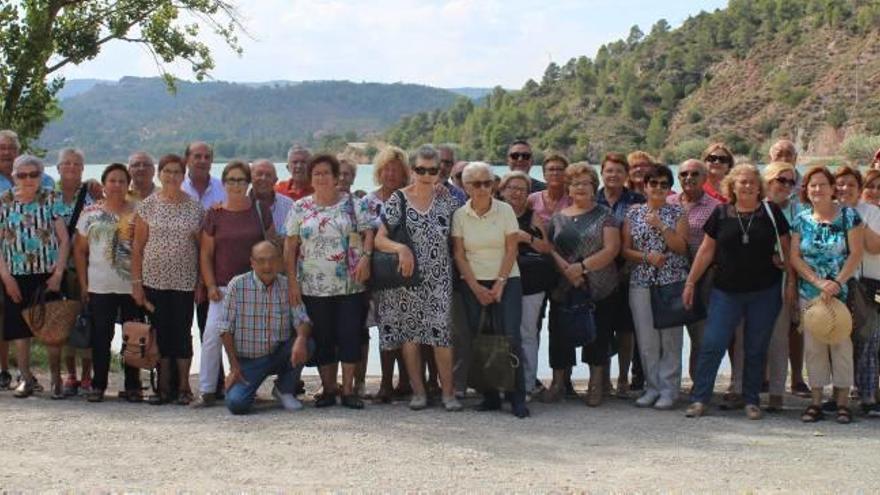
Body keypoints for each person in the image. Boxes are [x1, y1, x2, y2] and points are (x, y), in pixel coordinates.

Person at [682, 164, 792, 420]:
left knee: (756, 347)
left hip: (764, 291)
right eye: (742, 182)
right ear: (732, 185)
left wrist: (791, 283)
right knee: (712, 343)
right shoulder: (721, 213)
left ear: (759, 186)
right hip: (726, 292)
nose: (747, 185)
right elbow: (706, 250)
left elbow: (787, 250)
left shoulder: (771, 211)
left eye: (752, 181)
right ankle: (700, 398)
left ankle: (751, 400)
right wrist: (690, 282)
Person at [374, 145, 462, 411]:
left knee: (441, 336)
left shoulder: (448, 200)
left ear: (439, 172)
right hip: (408, 279)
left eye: (432, 170)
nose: (426, 175)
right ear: (412, 170)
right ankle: (418, 392)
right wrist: (401, 249)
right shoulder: (398, 199)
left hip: (439, 279)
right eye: (421, 169)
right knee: (410, 337)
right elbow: (379, 239)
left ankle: (448, 393)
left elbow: (464, 229)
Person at [285, 154, 374, 409]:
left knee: (349, 335)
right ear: (310, 178)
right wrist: (292, 283)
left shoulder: (353, 204)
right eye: (317, 174)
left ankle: (347, 391)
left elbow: (369, 232)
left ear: (337, 178)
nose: (322, 177)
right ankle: (328, 389)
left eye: (327, 173)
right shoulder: (300, 207)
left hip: (350, 283)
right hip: (312, 286)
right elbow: (289, 247)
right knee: (323, 337)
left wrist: (366, 259)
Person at [193, 161, 274, 408]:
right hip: (223, 288)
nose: (236, 185)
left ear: (248, 183)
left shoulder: (260, 210)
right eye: (231, 180)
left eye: (241, 180)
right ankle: (207, 391)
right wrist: (209, 286)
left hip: (255, 287)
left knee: (251, 340)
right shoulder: (214, 214)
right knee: (211, 337)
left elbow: (271, 245)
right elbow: (206, 254)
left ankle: (248, 387)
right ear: (224, 183)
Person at [452, 161, 528, 418]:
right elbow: (459, 255)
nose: (483, 188)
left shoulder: (505, 210)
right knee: (480, 339)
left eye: (488, 182)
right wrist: (475, 287)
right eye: (476, 184)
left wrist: (499, 283)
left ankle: (517, 396)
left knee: (511, 337)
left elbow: (511, 249)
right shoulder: (460, 215)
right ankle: (490, 395)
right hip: (473, 282)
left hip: (507, 280)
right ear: (466, 186)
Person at [790, 166, 863, 424]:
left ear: (833, 189)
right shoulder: (800, 219)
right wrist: (818, 282)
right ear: (806, 191)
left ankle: (842, 403)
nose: (817, 189)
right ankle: (816, 401)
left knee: (842, 345)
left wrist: (835, 283)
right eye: (812, 185)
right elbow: (795, 256)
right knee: (814, 346)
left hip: (841, 293)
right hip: (810, 293)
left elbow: (855, 253)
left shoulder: (849, 216)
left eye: (822, 184)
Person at [132, 154, 205, 405]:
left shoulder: (195, 207)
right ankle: (162, 387)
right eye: (167, 171)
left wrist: (201, 283)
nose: (172, 176)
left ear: (183, 176)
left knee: (182, 333)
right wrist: (136, 284)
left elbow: (202, 249)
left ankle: (184, 386)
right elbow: (138, 247)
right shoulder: (148, 205)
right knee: (160, 333)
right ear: (159, 174)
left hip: (185, 281)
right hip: (154, 281)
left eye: (177, 172)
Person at [546, 163, 621, 407]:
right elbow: (551, 250)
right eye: (575, 183)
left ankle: (596, 384)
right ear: (568, 188)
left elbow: (612, 249)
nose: (580, 187)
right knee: (558, 335)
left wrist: (582, 268)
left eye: (585, 183)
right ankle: (558, 383)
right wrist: (568, 272)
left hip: (598, 286)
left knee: (598, 336)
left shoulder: (605, 215)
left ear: (594, 187)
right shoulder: (557, 218)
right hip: (563, 287)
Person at [0, 155, 69, 398]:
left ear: (41, 175)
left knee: (52, 329)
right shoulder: (3, 201)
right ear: (14, 176)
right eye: (22, 174)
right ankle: (26, 377)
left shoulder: (51, 198)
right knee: (19, 330)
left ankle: (55, 379)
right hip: (15, 275)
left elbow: (64, 240)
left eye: (33, 174)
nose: (28, 179)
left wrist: (59, 273)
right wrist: (6, 277)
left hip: (46, 274)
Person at [621, 165, 689, 410]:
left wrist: (661, 225)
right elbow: (625, 249)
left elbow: (681, 246)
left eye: (663, 184)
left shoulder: (678, 212)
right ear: (645, 186)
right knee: (647, 340)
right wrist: (646, 257)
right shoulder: (633, 213)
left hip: (671, 282)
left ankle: (670, 390)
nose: (658, 188)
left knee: (671, 339)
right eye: (653, 183)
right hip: (641, 282)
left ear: (670, 188)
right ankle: (652, 387)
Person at [73, 163, 143, 402]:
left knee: (133, 336)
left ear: (128, 185)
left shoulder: (138, 211)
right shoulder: (90, 213)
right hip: (99, 286)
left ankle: (133, 384)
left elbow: (144, 248)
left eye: (121, 181)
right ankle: (98, 384)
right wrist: (83, 285)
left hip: (131, 286)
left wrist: (141, 284)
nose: (116, 185)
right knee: (101, 337)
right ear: (104, 185)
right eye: (112, 181)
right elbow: (80, 251)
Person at [221, 241, 313, 415]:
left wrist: (301, 338)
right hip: (249, 360)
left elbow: (303, 319)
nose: (267, 266)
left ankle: (283, 389)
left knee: (308, 343)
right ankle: (246, 387)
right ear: (252, 262)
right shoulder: (237, 285)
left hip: (279, 354)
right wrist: (234, 367)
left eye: (272, 260)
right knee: (237, 404)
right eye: (261, 260)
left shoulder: (288, 285)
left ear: (280, 261)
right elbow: (225, 328)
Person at [499, 171, 553, 399]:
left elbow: (545, 247)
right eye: (512, 187)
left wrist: (526, 237)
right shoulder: (495, 214)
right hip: (501, 280)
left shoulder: (533, 217)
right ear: (502, 190)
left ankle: (528, 383)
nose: (517, 193)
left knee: (528, 333)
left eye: (522, 189)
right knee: (503, 334)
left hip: (531, 282)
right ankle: (502, 383)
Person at [666, 159, 720, 384]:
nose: (689, 178)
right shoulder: (668, 202)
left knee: (701, 337)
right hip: (670, 278)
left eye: (695, 174)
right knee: (670, 338)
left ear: (705, 178)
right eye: (684, 174)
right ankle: (669, 385)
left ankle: (700, 386)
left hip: (703, 279)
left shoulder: (715, 207)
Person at [366, 146, 412, 402]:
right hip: (380, 275)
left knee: (408, 328)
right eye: (387, 169)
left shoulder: (411, 198)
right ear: (378, 172)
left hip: (408, 274)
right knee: (387, 329)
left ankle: (405, 381)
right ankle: (385, 383)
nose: (391, 174)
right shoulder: (368, 201)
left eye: (396, 169)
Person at [55, 147, 103, 397]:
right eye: (67, 163)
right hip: (55, 268)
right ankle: (70, 374)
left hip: (84, 267)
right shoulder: (48, 195)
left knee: (86, 320)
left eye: (76, 164)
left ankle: (86, 375)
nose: (71, 167)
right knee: (63, 321)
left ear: (83, 169)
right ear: (58, 168)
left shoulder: (92, 195)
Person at [759, 161, 807, 408]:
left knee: (780, 335)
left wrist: (789, 270)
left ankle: (777, 391)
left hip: (785, 279)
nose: (786, 186)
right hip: (753, 280)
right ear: (767, 180)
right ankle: (748, 386)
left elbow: (802, 247)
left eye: (791, 181)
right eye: (781, 180)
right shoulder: (753, 206)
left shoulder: (799, 211)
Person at [180, 141, 226, 398]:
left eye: (207, 156)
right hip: (180, 271)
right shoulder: (177, 187)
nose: (201, 160)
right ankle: (181, 384)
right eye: (196, 155)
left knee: (212, 328)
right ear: (187, 159)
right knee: (181, 328)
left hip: (213, 271)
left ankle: (216, 384)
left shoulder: (223, 189)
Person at [597, 152, 645, 396]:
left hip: (629, 272)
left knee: (627, 329)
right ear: (602, 173)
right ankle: (603, 378)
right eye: (609, 170)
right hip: (599, 274)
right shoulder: (593, 199)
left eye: (618, 171)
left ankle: (624, 378)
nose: (613, 175)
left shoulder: (637, 200)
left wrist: (628, 265)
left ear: (626, 175)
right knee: (602, 328)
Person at [834, 166, 880, 417]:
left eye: (851, 185)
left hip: (871, 285)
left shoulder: (870, 212)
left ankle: (868, 395)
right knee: (838, 338)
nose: (845, 189)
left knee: (868, 339)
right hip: (837, 285)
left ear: (858, 189)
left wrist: (855, 219)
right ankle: (839, 394)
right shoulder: (826, 213)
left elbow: (874, 247)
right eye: (840, 184)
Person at [249, 159, 294, 236]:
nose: (263, 178)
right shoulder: (240, 205)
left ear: (275, 180)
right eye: (259, 174)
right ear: (250, 178)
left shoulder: (289, 206)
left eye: (268, 175)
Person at [528, 153, 572, 224]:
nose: (555, 173)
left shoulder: (572, 200)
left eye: (560, 169)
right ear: (544, 175)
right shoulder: (532, 200)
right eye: (551, 169)